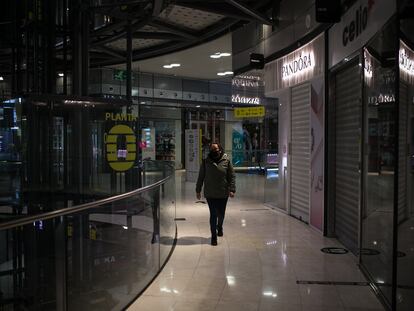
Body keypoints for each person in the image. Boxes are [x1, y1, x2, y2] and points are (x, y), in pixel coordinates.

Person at [196, 143, 236, 246]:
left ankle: (220, 226)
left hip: (223, 193)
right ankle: (214, 236)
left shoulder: (226, 160)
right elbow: (201, 176)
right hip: (210, 193)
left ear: (220, 149)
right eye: (213, 150)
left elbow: (232, 176)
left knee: (221, 214)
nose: (215, 151)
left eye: (216, 149)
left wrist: (232, 189)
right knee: (213, 214)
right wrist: (198, 190)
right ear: (210, 151)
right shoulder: (205, 162)